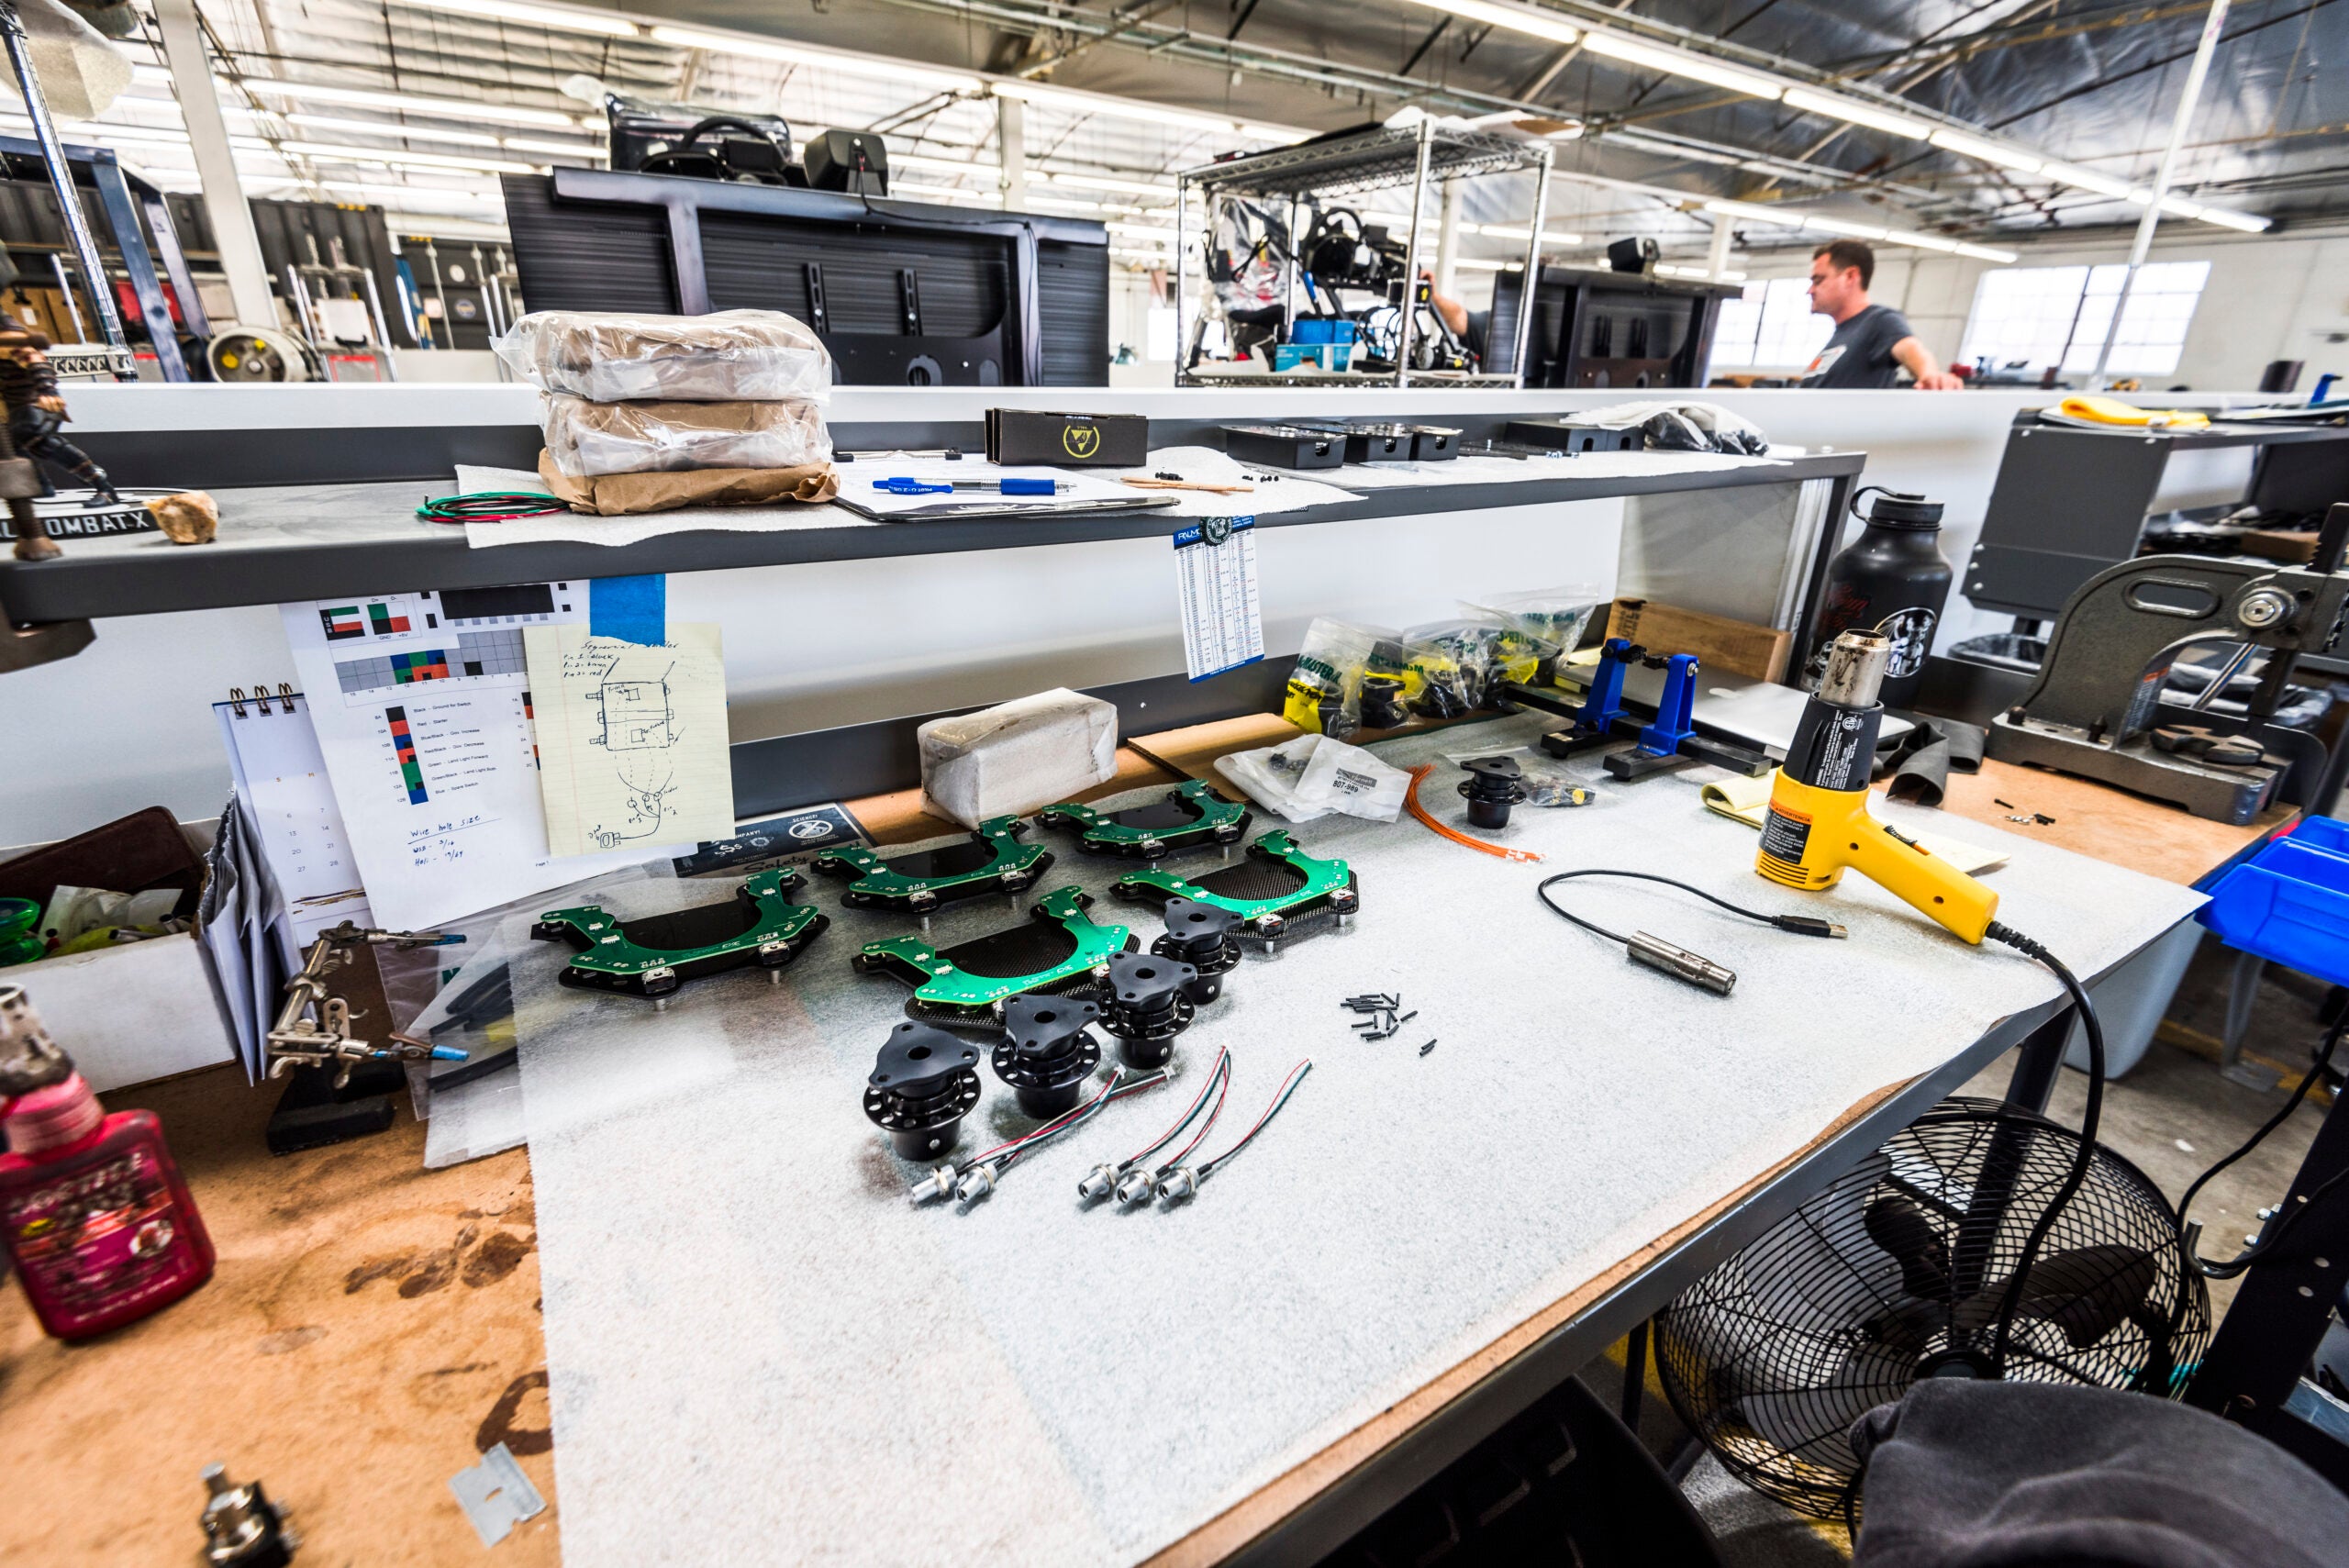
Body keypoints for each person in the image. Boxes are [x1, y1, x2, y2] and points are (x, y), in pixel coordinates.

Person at [1800, 239, 1961, 389]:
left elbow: (1909, 348)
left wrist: (1929, 374)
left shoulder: (1879, 321)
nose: (1810, 291)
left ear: (1850, 276)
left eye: (1818, 280)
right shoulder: (1843, 333)